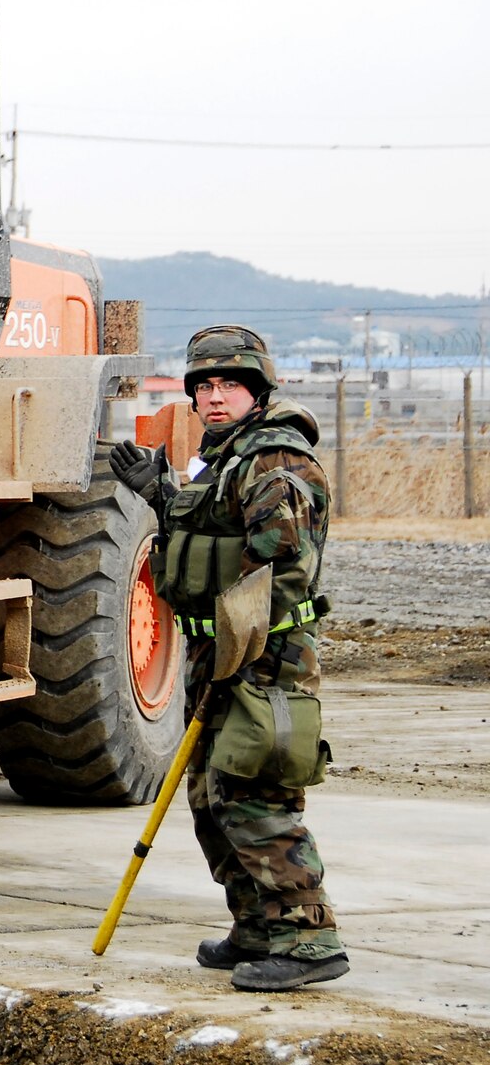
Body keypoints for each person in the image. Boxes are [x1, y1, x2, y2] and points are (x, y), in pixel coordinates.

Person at [110, 325, 348, 992]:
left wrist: (234, 659)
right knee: (211, 798)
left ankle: (307, 937)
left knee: (255, 794)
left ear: (257, 390)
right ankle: (257, 924)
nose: (214, 397)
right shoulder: (226, 458)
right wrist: (164, 496)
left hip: (261, 654)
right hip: (219, 651)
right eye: (204, 386)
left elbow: (278, 572)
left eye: (229, 384)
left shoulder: (276, 461)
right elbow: (212, 533)